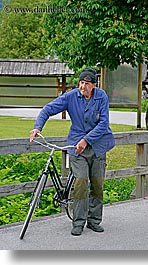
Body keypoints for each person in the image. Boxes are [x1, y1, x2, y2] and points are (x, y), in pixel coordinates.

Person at [30, 67, 115, 236]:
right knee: (80, 183)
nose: (83, 87)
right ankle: (78, 222)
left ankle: (94, 221)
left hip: (98, 146)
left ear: (94, 85)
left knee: (97, 185)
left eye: (87, 84)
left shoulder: (101, 97)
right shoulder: (71, 96)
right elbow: (48, 109)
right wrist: (37, 127)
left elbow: (103, 124)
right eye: (81, 83)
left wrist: (87, 140)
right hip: (77, 148)